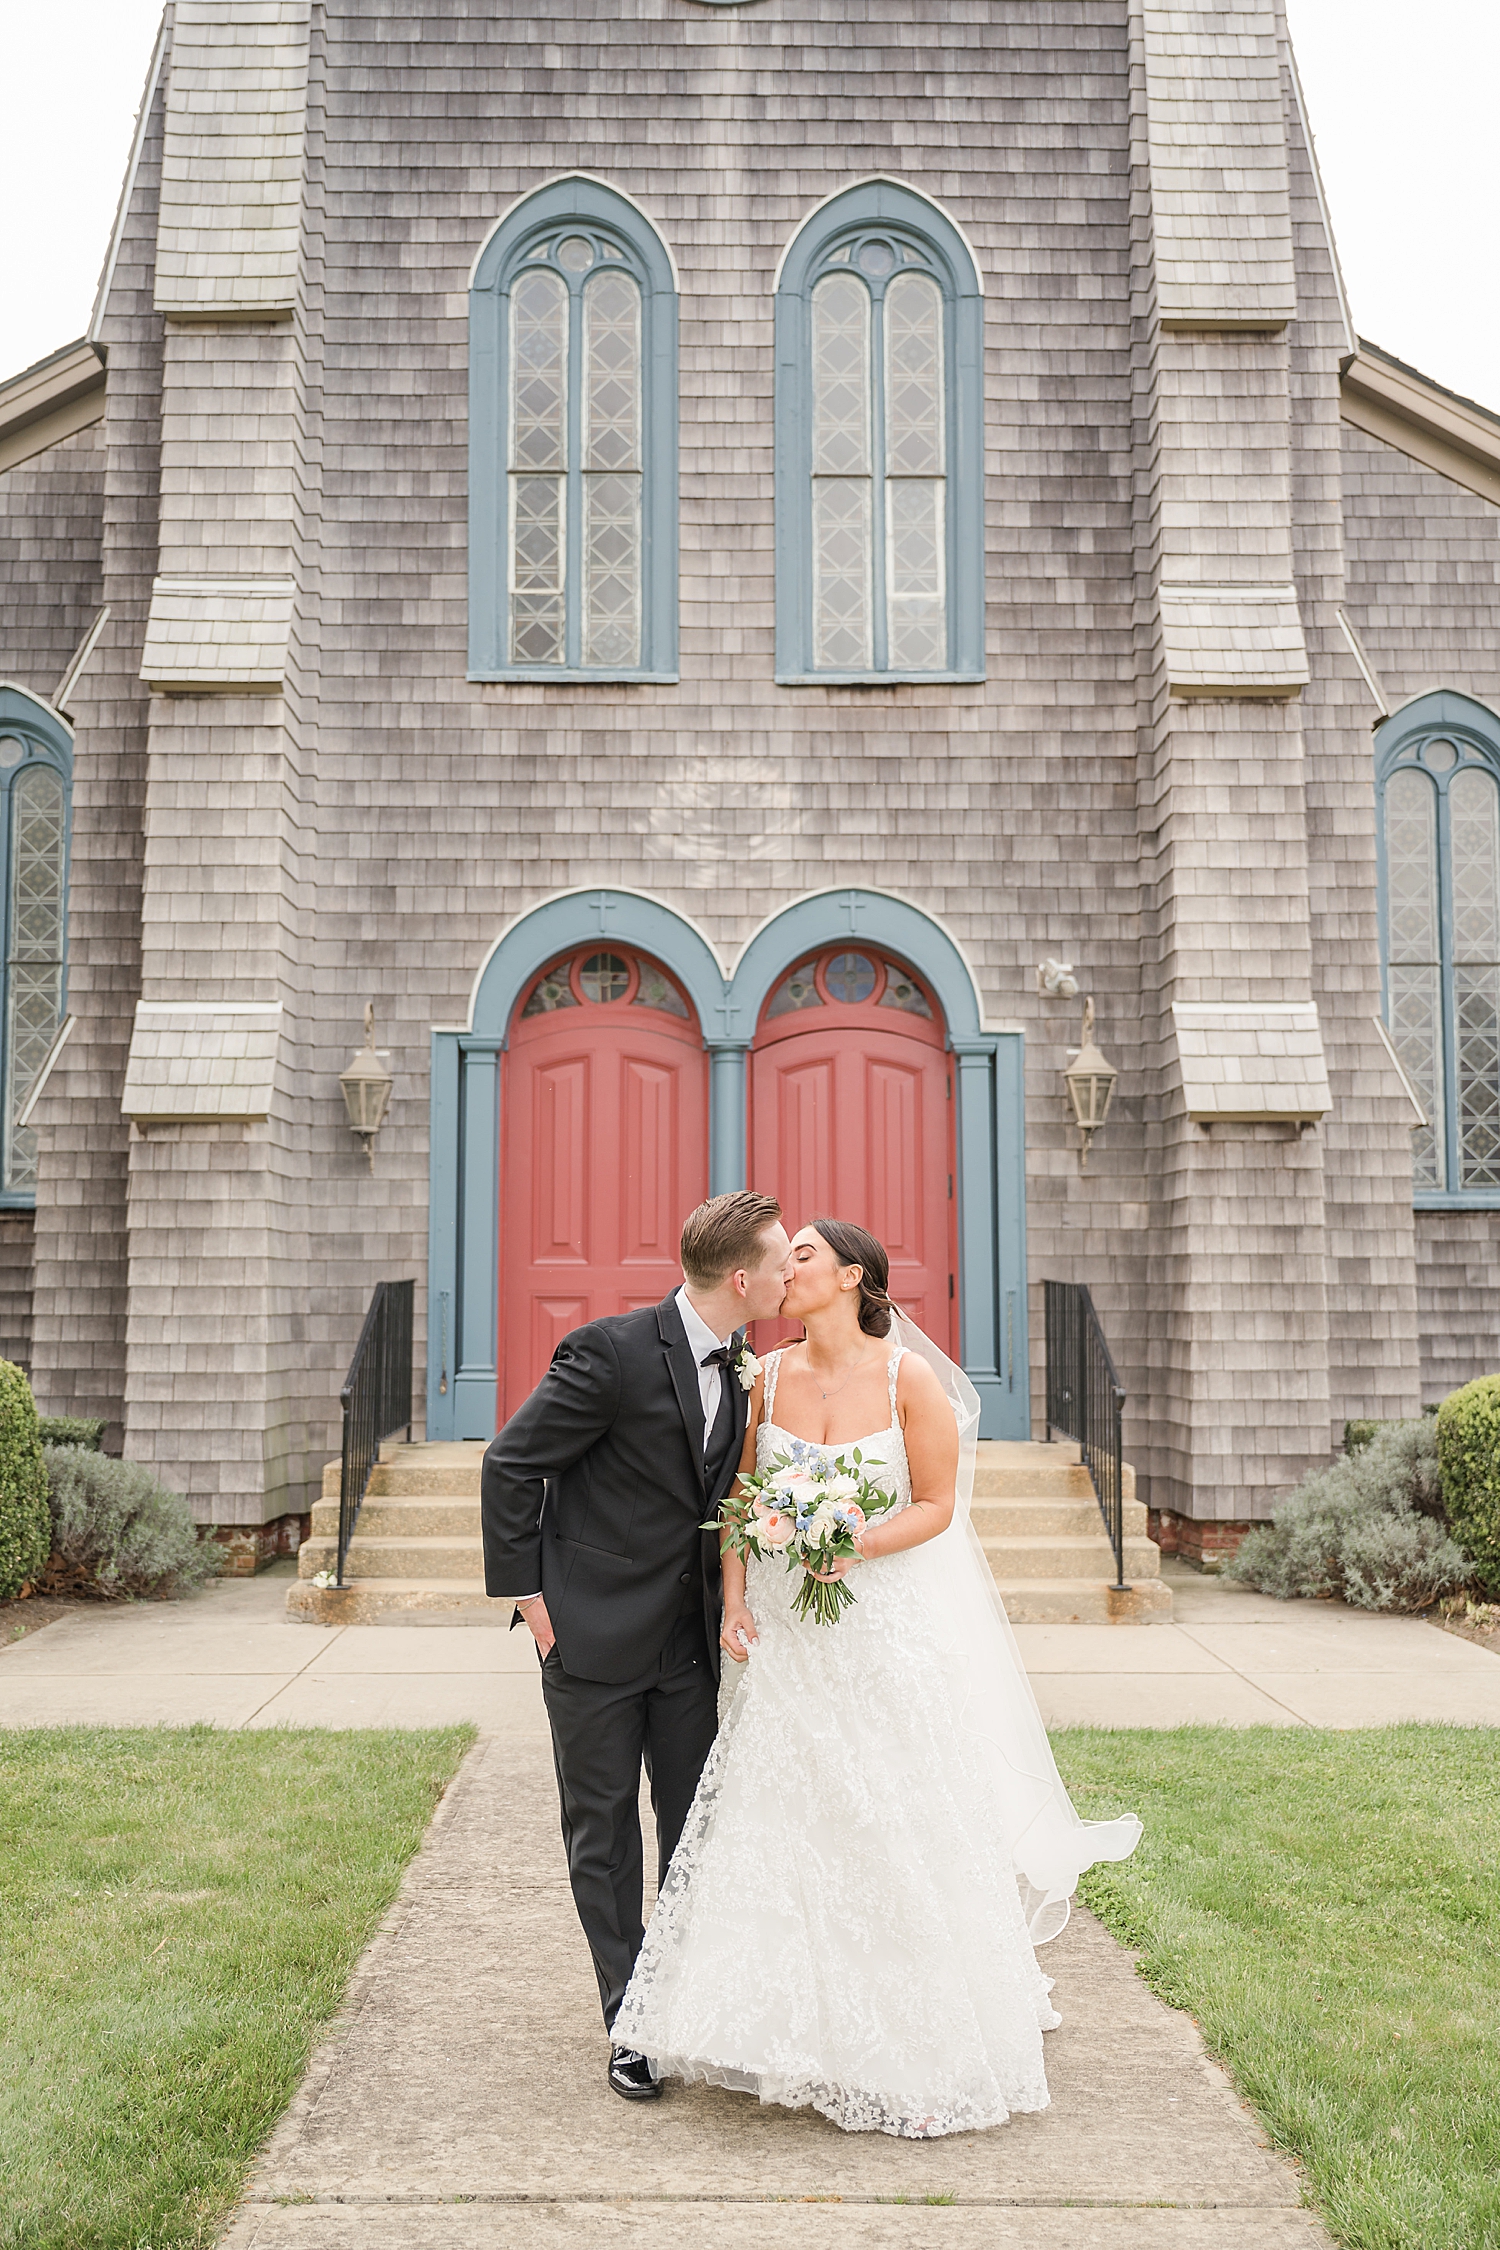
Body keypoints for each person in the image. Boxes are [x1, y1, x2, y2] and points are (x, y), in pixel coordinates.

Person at [612, 1217, 1143, 2139]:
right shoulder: (762, 1373)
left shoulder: (909, 1378)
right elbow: (739, 1498)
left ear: (852, 1276)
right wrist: (735, 1600)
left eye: (805, 1254)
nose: (787, 1268)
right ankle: (776, 2026)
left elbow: (936, 1506)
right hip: (783, 1633)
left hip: (879, 1632)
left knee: (885, 1811)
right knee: (779, 1815)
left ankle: (906, 2032)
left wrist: (852, 1538)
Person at [481, 1189, 792, 2102]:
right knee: (605, 1836)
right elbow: (511, 1462)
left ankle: (677, 1997)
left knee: (692, 1829)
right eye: (780, 1262)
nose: (788, 1275)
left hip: (688, 1648)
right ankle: (629, 2021)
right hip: (592, 1642)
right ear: (742, 1278)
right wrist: (531, 1600)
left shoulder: (745, 1363)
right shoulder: (610, 1353)